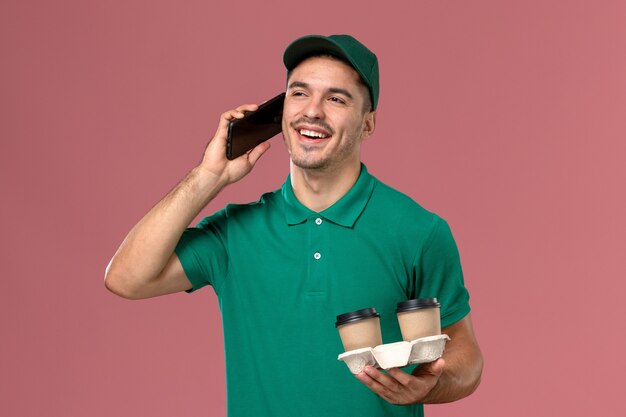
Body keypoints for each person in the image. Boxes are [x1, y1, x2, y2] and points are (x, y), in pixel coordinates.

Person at [105, 34, 483, 417]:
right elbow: (126, 278)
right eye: (299, 93)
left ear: (367, 124)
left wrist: (431, 384)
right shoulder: (234, 234)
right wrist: (208, 176)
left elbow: (466, 360)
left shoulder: (419, 231)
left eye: (336, 99)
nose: (313, 111)